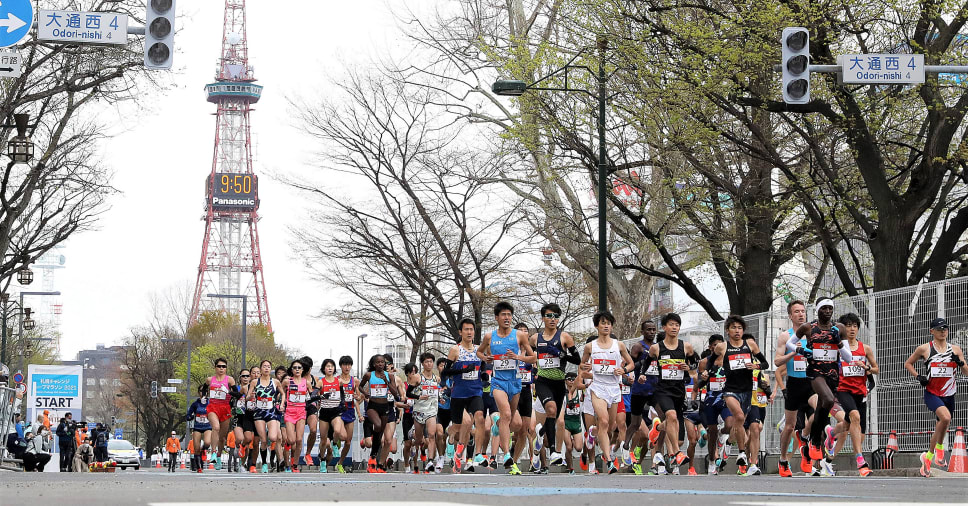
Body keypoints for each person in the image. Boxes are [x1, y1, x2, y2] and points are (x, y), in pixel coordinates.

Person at [904, 317, 968, 478]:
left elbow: (966, 371)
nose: (942, 331)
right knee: (945, 418)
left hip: (949, 393)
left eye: (945, 329)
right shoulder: (925, 349)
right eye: (939, 329)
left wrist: (960, 363)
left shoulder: (955, 349)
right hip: (932, 393)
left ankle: (929, 457)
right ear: (932, 331)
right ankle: (939, 448)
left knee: (941, 425)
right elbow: (908, 364)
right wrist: (918, 376)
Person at [477, 301, 535, 475]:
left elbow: (533, 358)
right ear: (497, 318)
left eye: (509, 314)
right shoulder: (490, 336)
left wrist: (517, 357)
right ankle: (506, 455)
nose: (507, 317)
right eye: (503, 315)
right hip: (498, 382)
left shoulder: (519, 336)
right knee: (507, 415)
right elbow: (479, 352)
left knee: (515, 423)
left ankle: (498, 428)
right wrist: (486, 358)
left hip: (515, 382)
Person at [797, 298, 852, 476]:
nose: (827, 311)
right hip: (813, 374)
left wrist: (840, 342)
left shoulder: (839, 329)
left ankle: (810, 441)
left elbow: (848, 358)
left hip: (832, 376)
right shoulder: (808, 327)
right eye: (824, 308)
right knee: (826, 402)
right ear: (818, 310)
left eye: (830, 308)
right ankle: (813, 440)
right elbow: (791, 344)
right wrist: (801, 350)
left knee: (823, 410)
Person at [712, 316, 769, 476]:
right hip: (731, 391)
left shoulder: (752, 351)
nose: (737, 331)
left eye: (740, 328)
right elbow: (711, 361)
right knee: (739, 418)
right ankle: (737, 448)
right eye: (733, 328)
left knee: (755, 429)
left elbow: (765, 364)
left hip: (751, 395)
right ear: (728, 330)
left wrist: (756, 366)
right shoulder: (724, 348)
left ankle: (752, 464)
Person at [580, 310, 634, 475]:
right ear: (597, 326)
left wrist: (622, 369)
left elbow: (632, 364)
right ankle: (609, 460)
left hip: (614, 388)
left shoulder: (619, 345)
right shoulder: (590, 346)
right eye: (603, 323)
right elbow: (581, 367)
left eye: (608, 323)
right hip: (598, 387)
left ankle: (592, 434)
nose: (606, 326)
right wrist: (585, 367)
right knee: (603, 421)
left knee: (610, 427)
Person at [645, 313, 698, 475]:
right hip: (663, 390)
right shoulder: (656, 348)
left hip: (678, 390)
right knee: (672, 416)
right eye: (671, 324)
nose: (674, 327)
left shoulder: (686, 346)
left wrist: (688, 368)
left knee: (671, 420)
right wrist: (642, 374)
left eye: (677, 325)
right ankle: (676, 453)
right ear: (664, 327)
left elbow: (695, 361)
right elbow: (646, 364)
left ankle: (657, 428)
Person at [532, 303, 580, 472]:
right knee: (551, 410)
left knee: (553, 417)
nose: (553, 320)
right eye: (549, 316)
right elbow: (530, 357)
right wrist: (533, 371)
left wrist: (561, 354)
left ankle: (541, 433)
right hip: (543, 381)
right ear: (543, 318)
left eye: (556, 317)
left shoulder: (565, 337)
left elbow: (578, 359)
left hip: (559, 383)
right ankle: (554, 452)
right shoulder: (535, 338)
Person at [831, 312, 878, 477]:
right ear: (843, 328)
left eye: (855, 326)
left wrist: (866, 368)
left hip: (860, 391)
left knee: (850, 425)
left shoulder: (865, 348)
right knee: (855, 417)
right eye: (848, 326)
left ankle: (831, 433)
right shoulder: (837, 348)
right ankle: (861, 461)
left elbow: (876, 369)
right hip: (843, 389)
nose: (852, 329)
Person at [442, 318, 488, 473]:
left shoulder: (478, 349)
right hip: (459, 395)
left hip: (475, 391)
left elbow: (483, 367)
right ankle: (451, 435)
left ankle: (477, 454)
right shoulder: (455, 350)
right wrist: (462, 370)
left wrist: (484, 375)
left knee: (479, 418)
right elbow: (446, 372)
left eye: (471, 329)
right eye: (466, 329)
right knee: (461, 425)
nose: (469, 332)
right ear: (460, 332)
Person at [774, 299, 815, 476]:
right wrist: (793, 352)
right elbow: (777, 361)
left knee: (821, 410)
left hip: (812, 382)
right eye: (796, 311)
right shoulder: (786, 336)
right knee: (789, 427)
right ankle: (783, 460)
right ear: (791, 316)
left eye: (803, 311)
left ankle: (805, 438)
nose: (800, 314)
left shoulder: (814, 334)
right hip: (794, 384)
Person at [357, 353, 401, 473]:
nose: (380, 364)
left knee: (384, 438)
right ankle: (373, 457)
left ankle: (375, 459)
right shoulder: (369, 375)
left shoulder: (390, 376)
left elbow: (395, 394)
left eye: (382, 362)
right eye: (378, 362)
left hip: (385, 407)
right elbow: (361, 386)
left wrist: (386, 381)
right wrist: (365, 394)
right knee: (377, 425)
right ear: (374, 364)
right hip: (372, 406)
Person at [248, 359, 284, 473]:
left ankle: (277, 457)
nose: (266, 368)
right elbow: (248, 396)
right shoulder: (255, 382)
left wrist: (282, 404)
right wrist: (250, 397)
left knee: (273, 437)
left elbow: (283, 394)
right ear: (261, 369)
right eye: (264, 366)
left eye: (268, 366)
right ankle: (264, 463)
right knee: (263, 440)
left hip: (271, 412)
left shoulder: (275, 382)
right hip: (259, 412)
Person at [205, 357, 238, 471]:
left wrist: (228, 391)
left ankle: (218, 456)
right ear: (215, 368)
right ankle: (213, 453)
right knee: (216, 427)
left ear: (226, 368)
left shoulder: (230, 380)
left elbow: (237, 394)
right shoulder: (210, 380)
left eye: (223, 366)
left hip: (225, 408)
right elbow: (204, 389)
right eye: (219, 366)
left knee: (222, 437)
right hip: (213, 407)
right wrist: (204, 396)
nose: (221, 368)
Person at [315, 358, 346, 473]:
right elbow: (314, 394)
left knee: (337, 431)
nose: (330, 368)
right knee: (323, 441)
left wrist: (342, 404)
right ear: (324, 369)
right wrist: (321, 396)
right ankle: (322, 460)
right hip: (324, 412)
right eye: (327, 366)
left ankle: (335, 445)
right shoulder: (321, 381)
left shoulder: (339, 381)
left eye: (332, 366)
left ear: (334, 369)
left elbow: (342, 394)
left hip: (335, 411)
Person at [281, 359, 310, 473]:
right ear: (291, 370)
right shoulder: (288, 381)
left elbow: (311, 395)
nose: (297, 369)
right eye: (295, 368)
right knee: (291, 440)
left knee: (299, 439)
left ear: (303, 370)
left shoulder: (306, 382)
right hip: (290, 411)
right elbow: (281, 393)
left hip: (301, 411)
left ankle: (295, 465)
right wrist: (281, 403)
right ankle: (287, 449)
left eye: (299, 368)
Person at [336, 355, 360, 473]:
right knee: (342, 436)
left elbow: (360, 397)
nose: (347, 367)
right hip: (338, 411)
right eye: (345, 365)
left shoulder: (354, 380)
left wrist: (357, 396)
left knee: (348, 441)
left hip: (350, 411)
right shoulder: (336, 380)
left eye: (349, 365)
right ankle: (336, 440)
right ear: (341, 366)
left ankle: (340, 463)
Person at [187, 384, 214, 474]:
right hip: (197, 426)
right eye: (201, 391)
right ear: (198, 393)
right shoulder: (195, 404)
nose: (203, 393)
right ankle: (199, 467)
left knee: (207, 442)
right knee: (196, 448)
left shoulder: (210, 403)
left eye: (205, 391)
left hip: (207, 426)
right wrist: (189, 417)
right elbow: (189, 413)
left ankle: (204, 449)